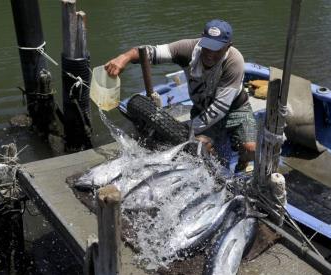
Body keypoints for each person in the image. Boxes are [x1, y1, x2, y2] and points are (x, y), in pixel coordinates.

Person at [105, 19, 257, 172]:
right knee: (200, 148)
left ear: (228, 46)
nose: (210, 54)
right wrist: (124, 58)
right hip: (202, 109)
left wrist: (183, 128)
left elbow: (219, 108)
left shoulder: (234, 61)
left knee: (251, 149)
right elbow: (149, 52)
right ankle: (216, 168)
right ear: (201, 39)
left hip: (235, 109)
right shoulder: (188, 49)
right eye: (207, 47)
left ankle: (242, 163)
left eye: (216, 49)